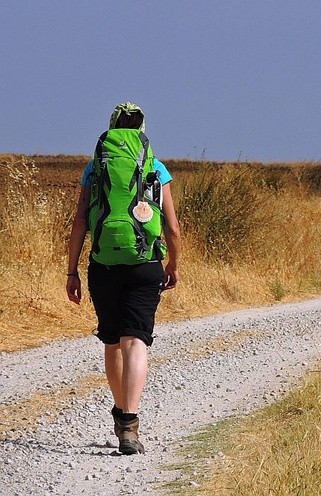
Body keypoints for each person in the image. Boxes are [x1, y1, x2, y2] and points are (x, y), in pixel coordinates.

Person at [66, 102, 181, 455]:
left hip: (104, 263)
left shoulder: (95, 168)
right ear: (143, 130)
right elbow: (172, 227)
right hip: (146, 262)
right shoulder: (156, 168)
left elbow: (80, 223)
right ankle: (130, 421)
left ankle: (120, 417)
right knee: (136, 341)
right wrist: (173, 264)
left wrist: (71, 271)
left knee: (113, 341)